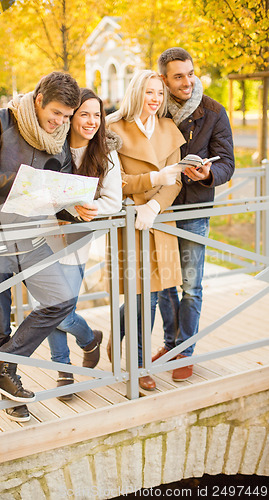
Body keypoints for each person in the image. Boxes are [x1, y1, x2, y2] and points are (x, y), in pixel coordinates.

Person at [0, 71, 85, 422]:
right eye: (56, 114)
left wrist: (73, 207)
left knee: (61, 299)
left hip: (30, 237)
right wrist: (30, 185)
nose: (61, 123)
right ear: (38, 100)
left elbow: (55, 191)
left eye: (66, 116)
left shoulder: (58, 139)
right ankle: (11, 392)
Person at [152, 48, 235, 381]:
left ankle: (185, 351)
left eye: (190, 73)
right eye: (178, 76)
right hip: (159, 207)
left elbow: (227, 161)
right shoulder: (153, 107)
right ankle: (170, 344)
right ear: (163, 79)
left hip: (196, 206)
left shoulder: (214, 110)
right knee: (163, 285)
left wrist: (209, 175)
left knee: (192, 285)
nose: (187, 81)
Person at [107, 70, 186, 390]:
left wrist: (154, 206)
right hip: (130, 222)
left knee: (156, 293)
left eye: (159, 94)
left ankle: (120, 334)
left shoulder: (169, 128)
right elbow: (114, 181)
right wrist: (152, 183)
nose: (154, 99)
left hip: (160, 220)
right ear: (136, 92)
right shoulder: (113, 128)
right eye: (149, 92)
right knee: (143, 297)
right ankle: (139, 367)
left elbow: (176, 179)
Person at [47, 88, 123, 400]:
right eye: (84, 114)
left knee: (60, 311)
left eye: (97, 115)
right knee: (46, 306)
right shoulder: (52, 148)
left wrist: (87, 210)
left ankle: (89, 340)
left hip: (76, 238)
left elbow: (113, 201)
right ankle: (64, 370)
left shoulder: (106, 153)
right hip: (44, 236)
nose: (91, 121)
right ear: (71, 116)